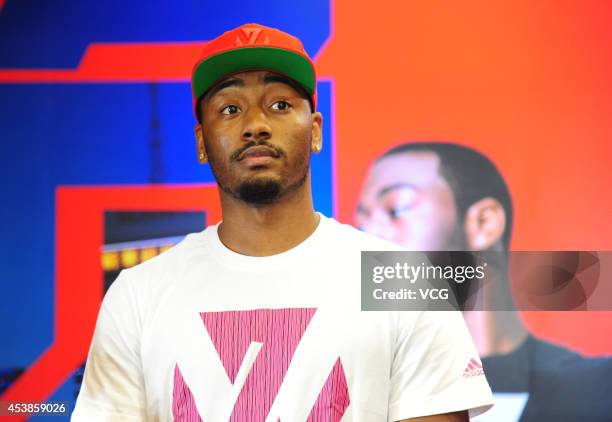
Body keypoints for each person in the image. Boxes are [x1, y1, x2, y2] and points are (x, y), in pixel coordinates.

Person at [72, 25, 493, 421]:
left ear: (314, 131)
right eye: (230, 109)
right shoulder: (139, 296)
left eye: (279, 105)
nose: (256, 125)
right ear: (202, 142)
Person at [356, 141, 612, 422]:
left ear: (483, 223)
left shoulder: (596, 389)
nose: (367, 236)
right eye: (361, 223)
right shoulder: (362, 394)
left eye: (396, 209)